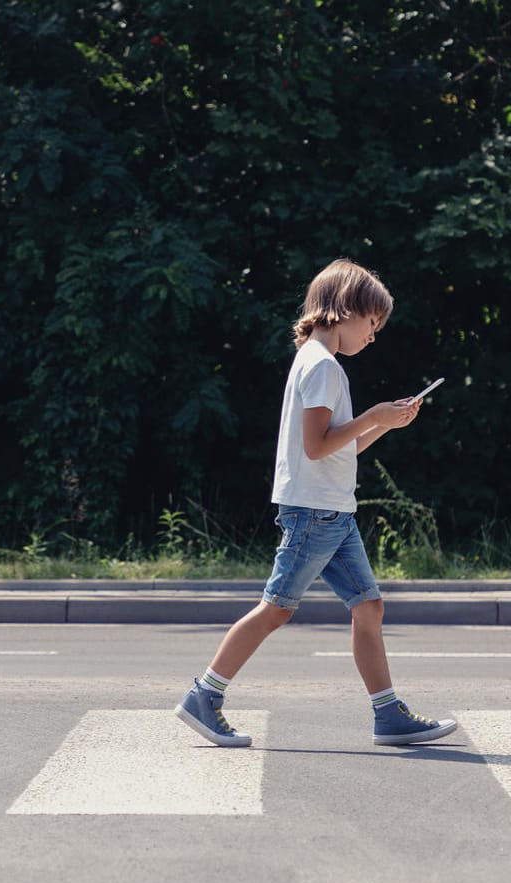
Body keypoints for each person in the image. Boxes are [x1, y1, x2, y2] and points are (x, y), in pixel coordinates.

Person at [175, 258, 459, 748]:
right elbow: (317, 445)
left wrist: (382, 425)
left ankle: (388, 714)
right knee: (276, 610)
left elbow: (333, 447)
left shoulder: (314, 359)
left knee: (368, 608)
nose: (374, 336)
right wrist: (373, 414)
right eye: (372, 323)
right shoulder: (324, 367)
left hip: (332, 511)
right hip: (315, 513)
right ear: (345, 310)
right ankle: (204, 696)